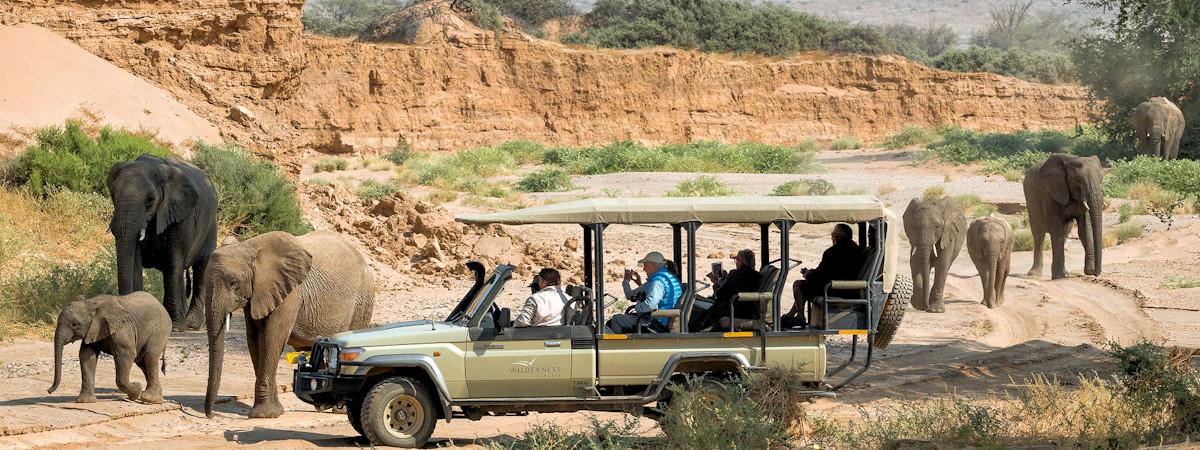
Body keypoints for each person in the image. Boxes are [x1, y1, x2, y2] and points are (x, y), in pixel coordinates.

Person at [783, 224, 864, 328]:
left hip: (833, 289)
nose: (832, 238)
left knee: (798, 284)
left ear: (837, 237)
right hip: (850, 290)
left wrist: (808, 275)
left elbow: (821, 276)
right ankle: (792, 314)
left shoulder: (832, 252)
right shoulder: (857, 250)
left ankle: (800, 316)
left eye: (832, 235)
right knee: (807, 286)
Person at [606, 251, 682, 333]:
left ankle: (621, 345)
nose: (644, 269)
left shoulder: (657, 282)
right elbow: (633, 295)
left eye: (645, 265)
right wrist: (636, 283)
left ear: (653, 265)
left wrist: (637, 307)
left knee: (617, 319)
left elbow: (651, 305)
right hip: (664, 318)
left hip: (657, 322)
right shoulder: (667, 277)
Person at [694, 249, 762, 331]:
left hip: (732, 310)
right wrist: (724, 280)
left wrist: (716, 282)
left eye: (736, 260)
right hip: (748, 311)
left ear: (741, 261)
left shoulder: (735, 273)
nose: (736, 262)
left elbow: (721, 295)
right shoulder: (757, 276)